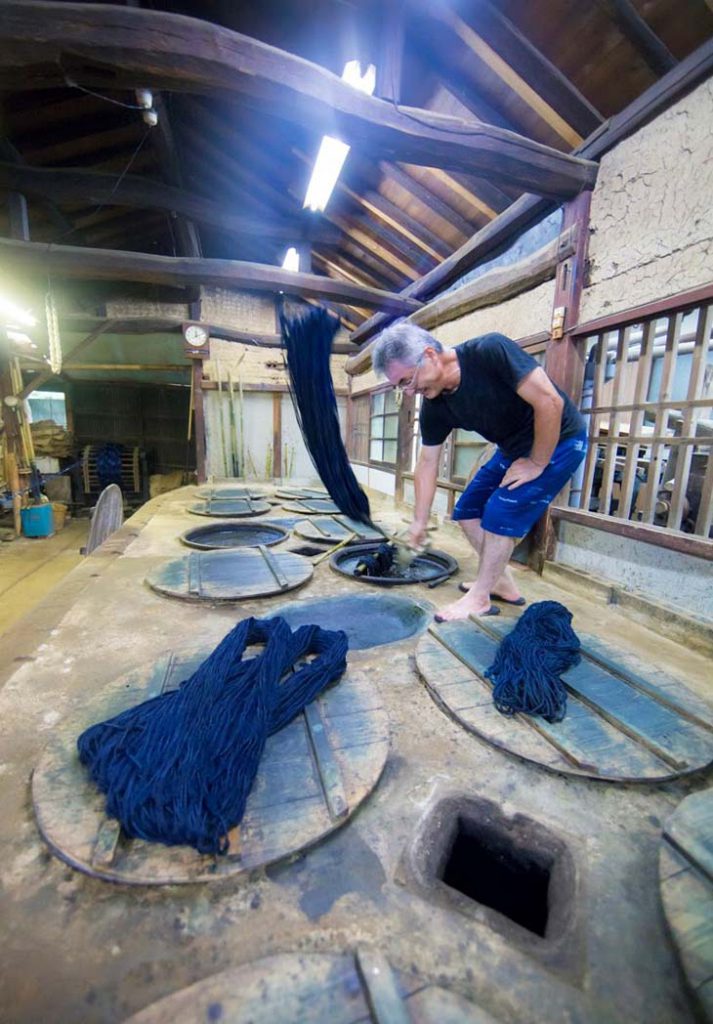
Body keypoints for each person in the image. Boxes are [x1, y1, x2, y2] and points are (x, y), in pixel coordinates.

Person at [371, 323, 587, 622]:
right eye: (400, 386)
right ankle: (501, 582)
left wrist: (537, 462)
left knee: (500, 512)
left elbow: (550, 402)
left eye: (407, 381)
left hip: (560, 440)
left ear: (430, 355)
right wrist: (420, 521)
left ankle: (479, 597)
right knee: (467, 510)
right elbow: (427, 463)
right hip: (513, 449)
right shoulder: (436, 405)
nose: (409, 393)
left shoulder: (489, 351)